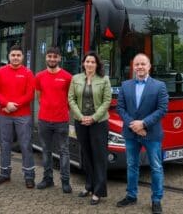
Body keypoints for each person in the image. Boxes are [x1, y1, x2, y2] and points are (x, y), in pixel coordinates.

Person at [116, 53, 168, 214]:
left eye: (143, 64)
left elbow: (162, 109)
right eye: (137, 64)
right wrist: (134, 125)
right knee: (132, 165)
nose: (139, 67)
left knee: (156, 167)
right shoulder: (125, 85)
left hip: (151, 134)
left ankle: (156, 200)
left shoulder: (159, 86)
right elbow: (120, 108)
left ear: (149, 66)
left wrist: (143, 123)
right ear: (133, 67)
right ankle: (131, 195)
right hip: (131, 133)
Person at [68, 51, 111, 205]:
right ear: (83, 64)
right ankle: (89, 185)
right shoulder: (76, 78)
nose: (90, 64)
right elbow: (71, 99)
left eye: (93, 62)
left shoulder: (104, 80)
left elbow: (107, 101)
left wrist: (93, 118)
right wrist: (80, 117)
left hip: (99, 123)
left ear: (97, 64)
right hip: (81, 122)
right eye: (87, 62)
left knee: (99, 157)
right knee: (86, 155)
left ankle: (98, 191)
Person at [0, 45, 36, 188]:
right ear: (9, 56)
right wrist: (6, 103)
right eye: (13, 55)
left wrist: (14, 105)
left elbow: (30, 94)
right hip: (4, 114)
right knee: (4, 144)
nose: (16, 57)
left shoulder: (28, 73)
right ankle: (4, 173)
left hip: (23, 115)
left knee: (25, 144)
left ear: (22, 57)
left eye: (18, 55)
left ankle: (29, 175)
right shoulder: (0, 71)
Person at [35, 47, 73, 193]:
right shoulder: (39, 76)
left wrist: (62, 109)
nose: (52, 59)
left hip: (62, 120)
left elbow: (70, 98)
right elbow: (39, 96)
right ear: (46, 58)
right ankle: (48, 179)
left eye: (55, 57)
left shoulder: (68, 77)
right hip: (44, 119)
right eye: (49, 56)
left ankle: (65, 181)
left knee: (64, 151)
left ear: (59, 58)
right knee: (46, 150)